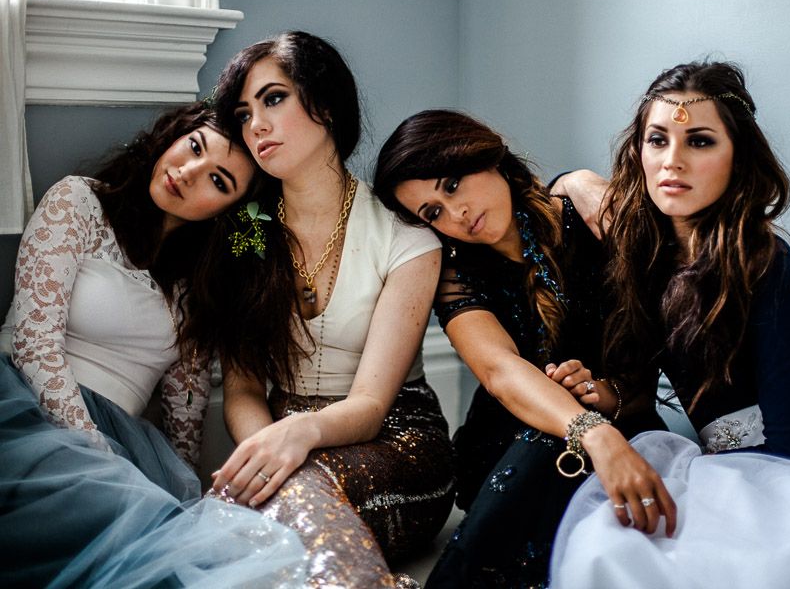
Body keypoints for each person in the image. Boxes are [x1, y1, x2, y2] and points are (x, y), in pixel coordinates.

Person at [550, 62, 790, 588]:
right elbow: (557, 188)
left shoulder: (767, 265)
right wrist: (603, 393)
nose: (672, 161)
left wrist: (729, 502)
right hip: (711, 457)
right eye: (657, 140)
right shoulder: (642, 256)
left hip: (780, 457)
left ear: (738, 157)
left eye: (700, 141)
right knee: (604, 545)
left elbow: (789, 445)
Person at [0, 103, 312, 587]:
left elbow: (184, 410)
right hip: (29, 410)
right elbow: (33, 343)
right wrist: (99, 459)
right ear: (173, 136)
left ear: (226, 212)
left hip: (124, 438)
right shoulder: (78, 201)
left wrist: (182, 489)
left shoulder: (198, 288)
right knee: (125, 526)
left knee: (191, 548)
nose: (188, 172)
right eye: (193, 147)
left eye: (218, 181)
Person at [186, 32, 454, 588]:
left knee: (289, 496)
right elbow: (242, 388)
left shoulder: (407, 238)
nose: (256, 125)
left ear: (326, 105)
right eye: (244, 114)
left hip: (396, 444)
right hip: (283, 444)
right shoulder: (245, 234)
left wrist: (293, 444)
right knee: (229, 523)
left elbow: (371, 407)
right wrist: (264, 451)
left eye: (273, 99)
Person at [372, 109, 673, 588]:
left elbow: (642, 373)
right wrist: (592, 431)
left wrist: (602, 395)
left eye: (452, 185)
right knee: (556, 436)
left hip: (624, 425)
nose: (456, 214)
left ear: (486, 154)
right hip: (507, 446)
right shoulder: (456, 271)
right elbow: (499, 370)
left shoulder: (591, 219)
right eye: (433, 213)